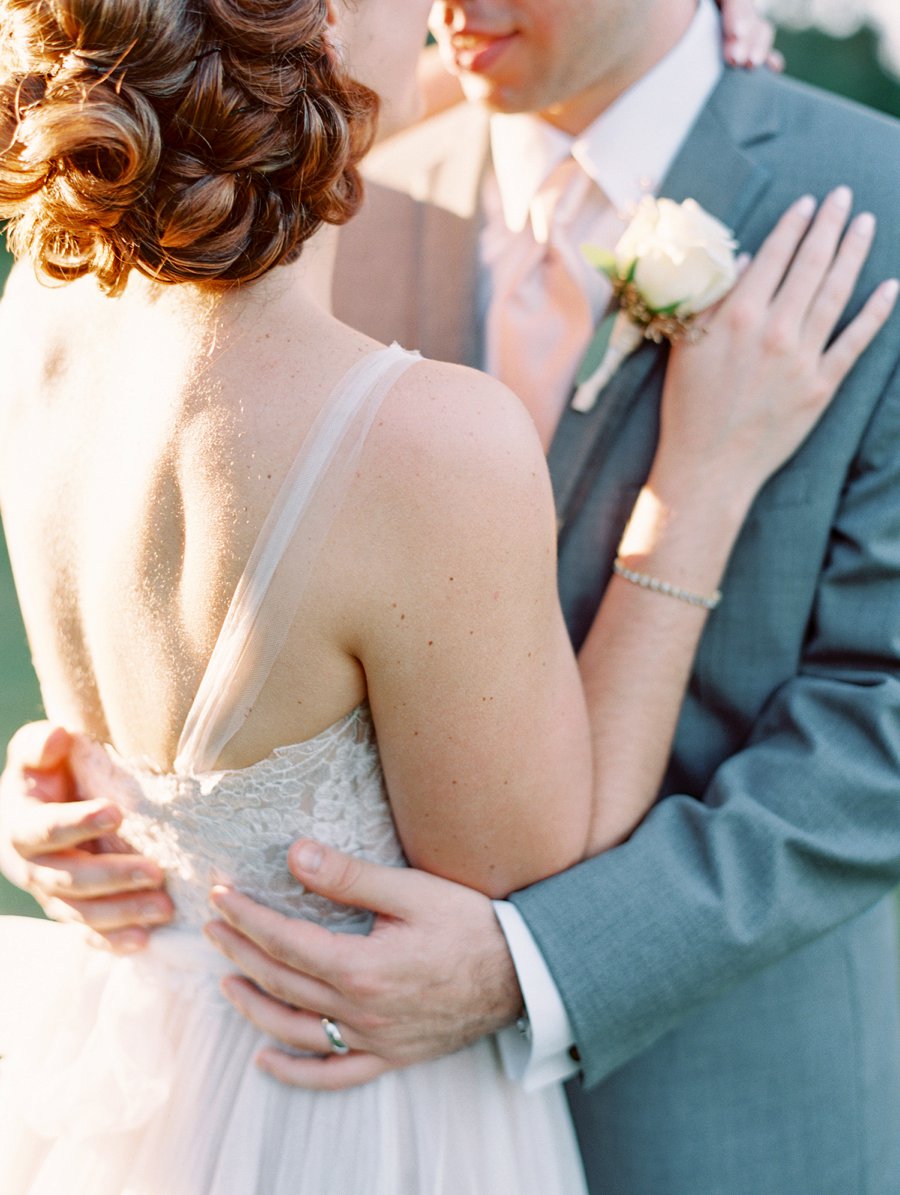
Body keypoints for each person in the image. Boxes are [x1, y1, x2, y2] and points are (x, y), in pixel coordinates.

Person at [1, 5, 897, 1195]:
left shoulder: (870, 199)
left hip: (729, 1116)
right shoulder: (337, 170)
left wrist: (539, 965)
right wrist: (112, 782)